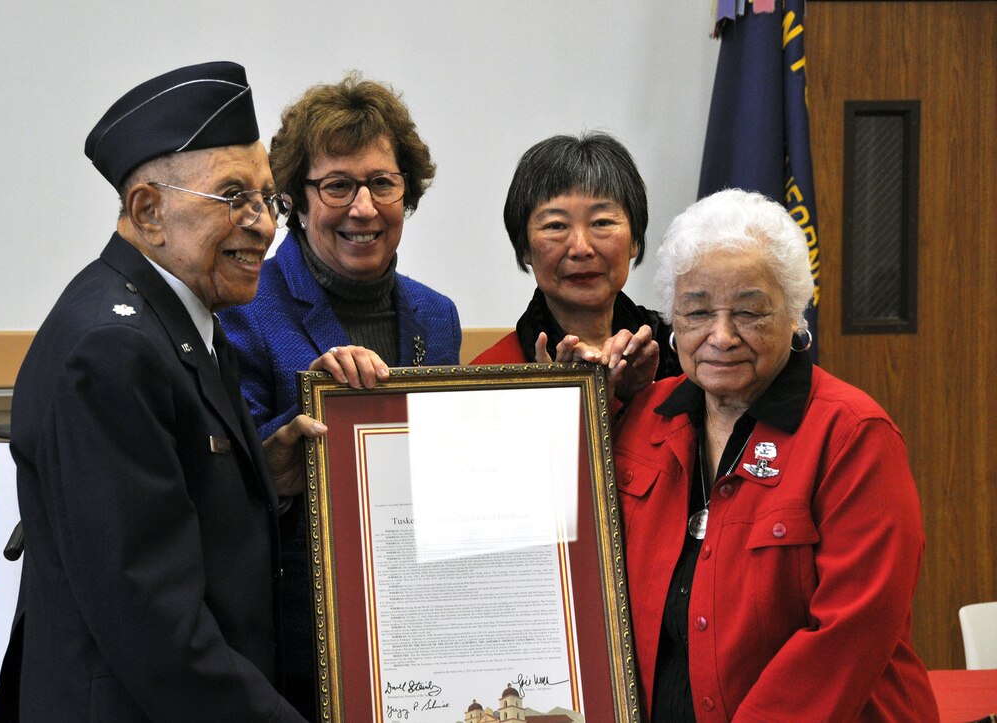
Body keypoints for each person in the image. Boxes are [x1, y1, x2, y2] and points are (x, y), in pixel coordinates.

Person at [0, 62, 317, 721]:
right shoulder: (111, 349)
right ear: (148, 211)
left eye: (269, 198)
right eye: (235, 197)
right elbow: (155, 628)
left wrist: (267, 479)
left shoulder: (182, 319)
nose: (264, 224)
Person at [615, 189, 937, 721]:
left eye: (749, 311)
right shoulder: (643, 420)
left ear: (793, 314)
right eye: (696, 311)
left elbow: (850, 631)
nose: (721, 336)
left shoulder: (852, 435)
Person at [218, 73, 461, 718]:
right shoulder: (245, 308)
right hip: (291, 638)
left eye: (382, 183)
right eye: (337, 185)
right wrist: (290, 442)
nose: (363, 207)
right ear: (296, 199)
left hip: (416, 633)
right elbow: (225, 484)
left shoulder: (437, 319)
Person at [471, 131, 680, 383]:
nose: (581, 248)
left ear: (635, 239)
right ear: (525, 246)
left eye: (602, 222)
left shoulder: (681, 354)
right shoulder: (491, 376)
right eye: (556, 226)